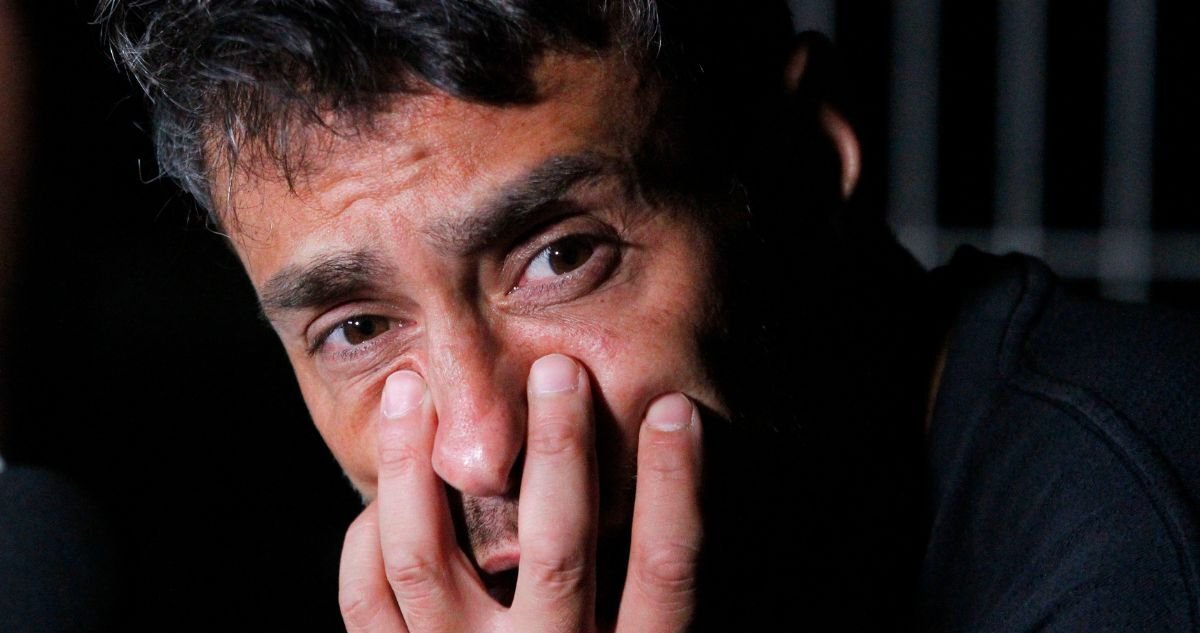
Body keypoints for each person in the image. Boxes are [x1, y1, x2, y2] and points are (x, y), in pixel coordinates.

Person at [99, 1, 1200, 631]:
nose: (477, 448)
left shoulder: (1131, 547)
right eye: (357, 328)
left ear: (799, 172)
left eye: (561, 257)